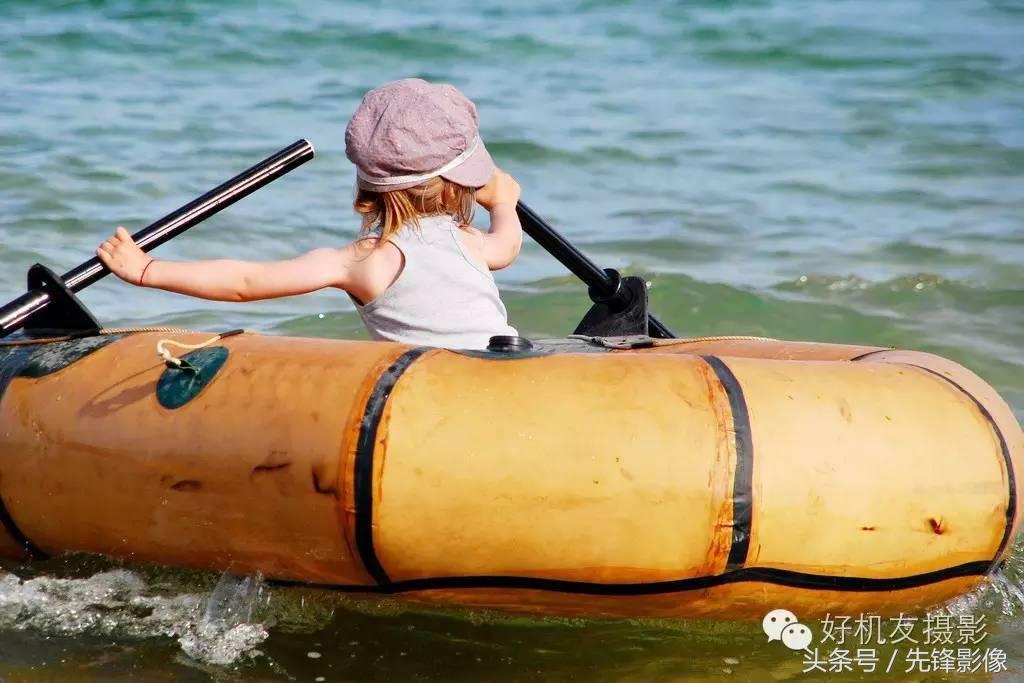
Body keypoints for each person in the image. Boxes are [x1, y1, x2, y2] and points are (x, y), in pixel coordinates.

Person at [96, 78, 522, 349]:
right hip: (498, 368)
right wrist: (503, 203)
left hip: (431, 388)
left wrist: (147, 269)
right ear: (459, 187)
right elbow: (507, 246)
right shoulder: (468, 240)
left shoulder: (363, 261)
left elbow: (246, 282)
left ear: (368, 186)